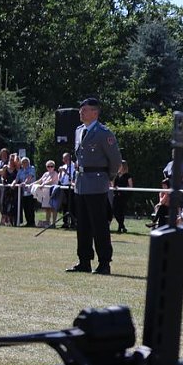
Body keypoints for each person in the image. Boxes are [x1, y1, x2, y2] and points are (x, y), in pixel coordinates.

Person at [66, 97, 123, 276]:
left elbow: (116, 160)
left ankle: (104, 262)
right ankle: (84, 260)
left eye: (85, 110)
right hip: (81, 183)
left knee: (99, 225)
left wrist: (109, 177)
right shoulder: (79, 131)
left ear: (95, 112)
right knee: (82, 224)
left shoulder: (103, 133)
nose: (81, 113)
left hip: (97, 183)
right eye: (81, 110)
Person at [31, 160, 59, 226]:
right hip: (45, 193)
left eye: (51, 166)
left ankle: (54, 223)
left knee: (53, 208)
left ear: (54, 167)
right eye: (48, 166)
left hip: (53, 193)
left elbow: (51, 180)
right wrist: (32, 184)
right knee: (47, 208)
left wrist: (43, 184)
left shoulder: (55, 173)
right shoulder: (45, 174)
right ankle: (48, 223)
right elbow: (40, 180)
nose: (50, 167)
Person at [13, 156, 37, 227]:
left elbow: (30, 177)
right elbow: (16, 179)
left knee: (30, 208)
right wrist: (13, 183)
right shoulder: (20, 171)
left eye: (26, 162)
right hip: (23, 192)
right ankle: (28, 222)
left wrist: (25, 182)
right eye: (23, 162)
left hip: (30, 192)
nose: (24, 163)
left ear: (28, 163)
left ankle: (32, 222)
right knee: (25, 208)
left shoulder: (32, 168)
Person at [54, 152, 76, 229]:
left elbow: (73, 178)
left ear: (70, 158)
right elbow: (60, 179)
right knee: (65, 205)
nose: (65, 160)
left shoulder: (74, 166)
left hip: (71, 187)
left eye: (66, 158)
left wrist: (66, 172)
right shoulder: (64, 166)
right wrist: (60, 172)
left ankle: (73, 222)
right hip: (63, 187)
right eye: (64, 159)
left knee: (72, 205)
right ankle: (65, 222)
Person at [111, 160, 133, 234]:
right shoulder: (116, 175)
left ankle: (120, 228)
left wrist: (122, 188)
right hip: (116, 195)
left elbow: (131, 186)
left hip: (123, 196)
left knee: (121, 212)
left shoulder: (127, 175)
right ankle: (122, 226)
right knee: (115, 211)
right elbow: (113, 184)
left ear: (123, 166)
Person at [1, 155, 19, 225]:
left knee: (13, 204)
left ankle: (13, 220)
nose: (11, 161)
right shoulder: (5, 167)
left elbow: (18, 177)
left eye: (13, 160)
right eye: (10, 160)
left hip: (14, 188)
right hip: (7, 187)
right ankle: (5, 220)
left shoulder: (16, 168)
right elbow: (2, 176)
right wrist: (3, 180)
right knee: (4, 203)